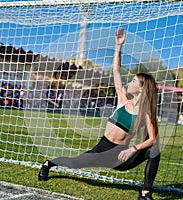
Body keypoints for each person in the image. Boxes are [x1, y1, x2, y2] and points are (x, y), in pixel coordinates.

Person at [38, 28, 161, 200]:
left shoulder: (145, 113)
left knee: (154, 151)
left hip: (120, 156)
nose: (130, 82)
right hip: (102, 149)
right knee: (74, 163)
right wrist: (118, 47)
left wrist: (134, 149)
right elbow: (116, 70)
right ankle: (48, 164)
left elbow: (153, 139)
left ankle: (145, 193)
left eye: (134, 81)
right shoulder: (122, 99)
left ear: (141, 88)